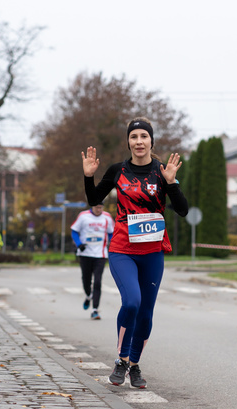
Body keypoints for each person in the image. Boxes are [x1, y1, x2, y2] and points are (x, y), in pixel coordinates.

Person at [82, 116, 188, 388]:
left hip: (153, 251)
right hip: (122, 249)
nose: (139, 141)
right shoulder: (117, 170)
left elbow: (183, 209)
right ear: (128, 141)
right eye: (134, 137)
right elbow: (95, 200)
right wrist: (88, 176)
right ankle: (121, 359)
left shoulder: (161, 172)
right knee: (131, 302)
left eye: (144, 136)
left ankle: (135, 364)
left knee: (146, 312)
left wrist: (172, 183)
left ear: (151, 141)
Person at [71, 203, 115, 320]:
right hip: (85, 254)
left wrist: (113, 243)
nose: (99, 210)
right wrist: (79, 244)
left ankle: (95, 310)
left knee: (98, 281)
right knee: (86, 280)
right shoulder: (83, 216)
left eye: (101, 208)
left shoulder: (107, 217)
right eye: (97, 208)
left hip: (100, 255)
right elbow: (74, 231)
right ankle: (88, 295)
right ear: (92, 207)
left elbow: (111, 233)